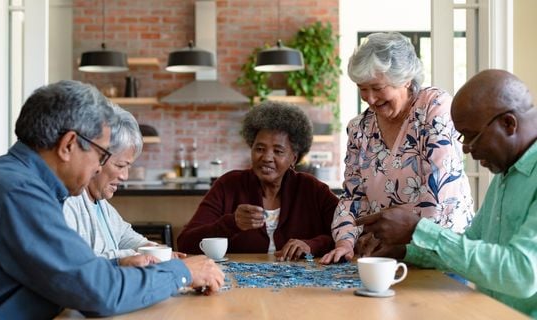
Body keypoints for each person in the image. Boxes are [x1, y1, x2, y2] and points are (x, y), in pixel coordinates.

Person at [0, 80, 224, 319]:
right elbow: (99, 294)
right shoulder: (20, 193)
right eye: (100, 155)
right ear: (69, 145)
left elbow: (65, 276)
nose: (100, 168)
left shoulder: (14, 179)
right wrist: (181, 272)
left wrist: (115, 267)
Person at [357, 69, 537, 317]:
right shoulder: (506, 173)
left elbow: (522, 273)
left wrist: (418, 229)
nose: (466, 148)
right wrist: (407, 251)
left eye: (472, 136)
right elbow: (471, 246)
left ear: (508, 123)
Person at [320, 32, 474, 264]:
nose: (370, 99)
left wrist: (404, 245)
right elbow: (353, 197)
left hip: (439, 250)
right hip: (385, 254)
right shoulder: (359, 128)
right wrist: (345, 242)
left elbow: (440, 191)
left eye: (377, 88)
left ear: (406, 79)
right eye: (362, 88)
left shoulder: (434, 108)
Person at [177, 101, 339, 261]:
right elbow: (185, 243)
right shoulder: (228, 185)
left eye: (278, 151)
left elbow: (349, 235)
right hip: (238, 282)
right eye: (260, 149)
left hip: (302, 283)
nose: (267, 158)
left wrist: (312, 245)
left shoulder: (312, 189)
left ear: (294, 158)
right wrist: (231, 223)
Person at [63, 105, 186, 266]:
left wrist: (152, 249)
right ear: (96, 156)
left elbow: (123, 235)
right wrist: (135, 255)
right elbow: (83, 265)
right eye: (120, 165)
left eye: (129, 166)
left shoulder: (100, 202)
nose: (125, 176)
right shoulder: (68, 202)